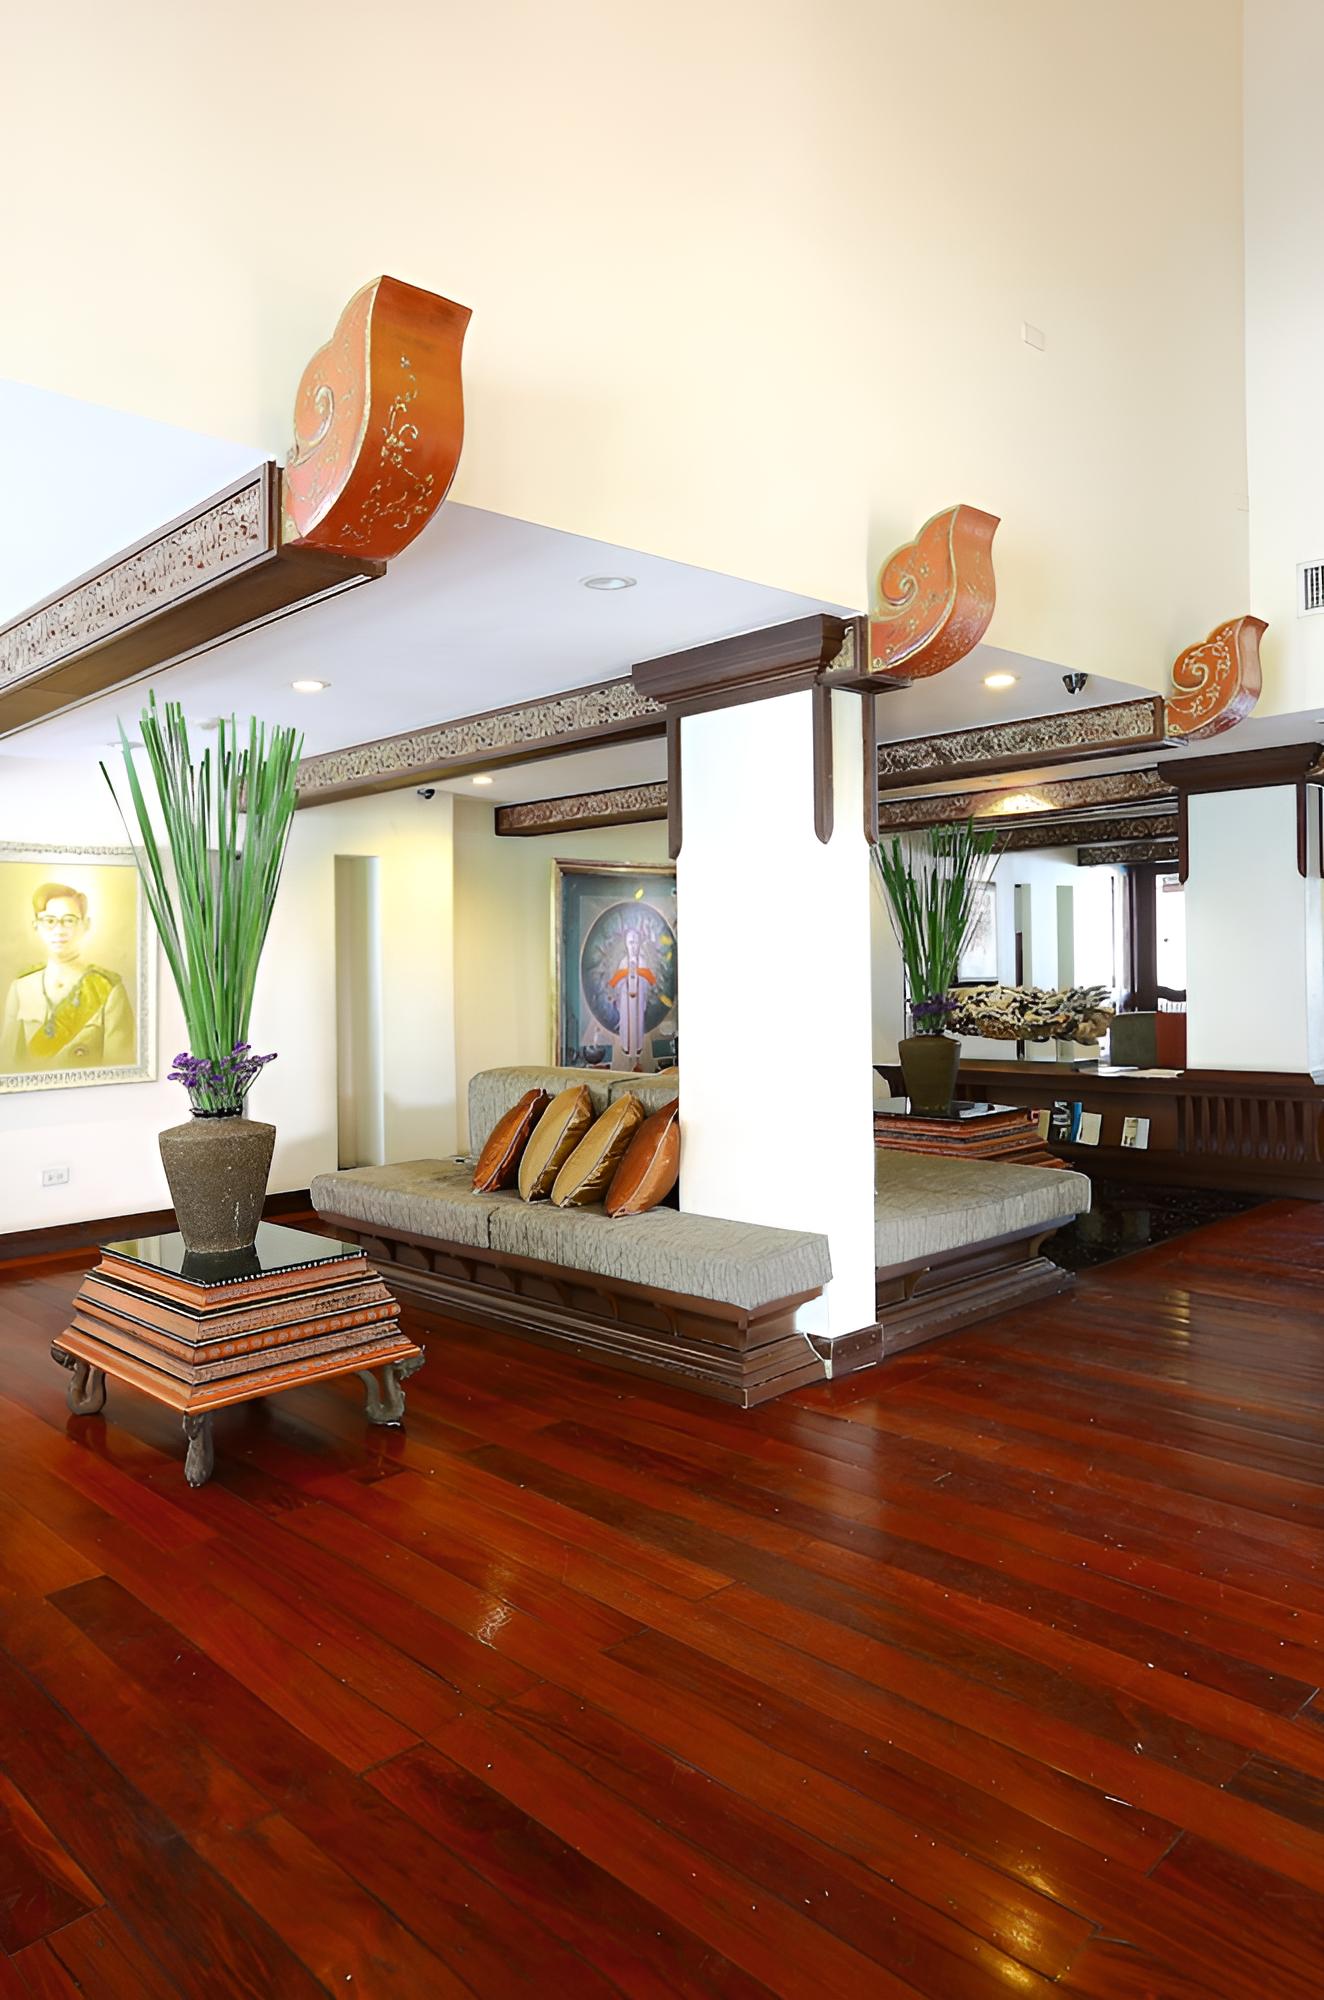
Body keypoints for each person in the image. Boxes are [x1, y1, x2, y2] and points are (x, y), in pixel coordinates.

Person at [0, 881, 135, 1072]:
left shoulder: (108, 989)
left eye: (69, 920)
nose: (59, 930)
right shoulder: (21, 988)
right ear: (36, 926)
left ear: (85, 925)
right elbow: (7, 1065)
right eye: (49, 921)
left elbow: (119, 1069)